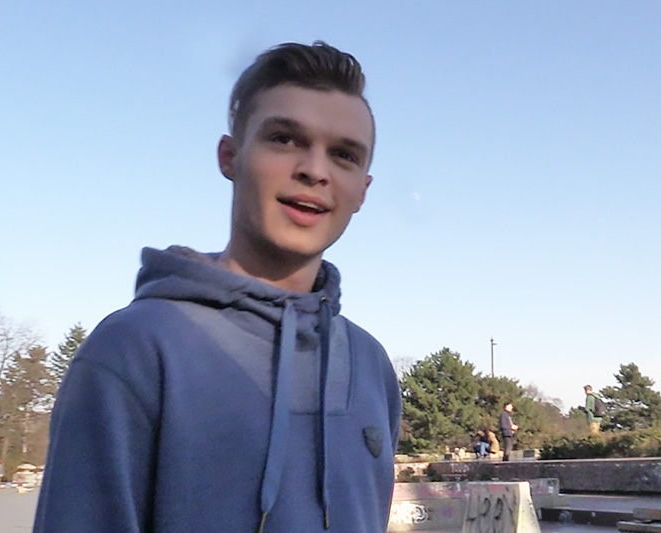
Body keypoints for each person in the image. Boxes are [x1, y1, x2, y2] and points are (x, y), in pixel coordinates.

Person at [34, 42, 401, 533]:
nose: (315, 170)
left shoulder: (371, 366)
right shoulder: (132, 351)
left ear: (362, 191)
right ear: (230, 157)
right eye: (284, 139)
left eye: (343, 155)